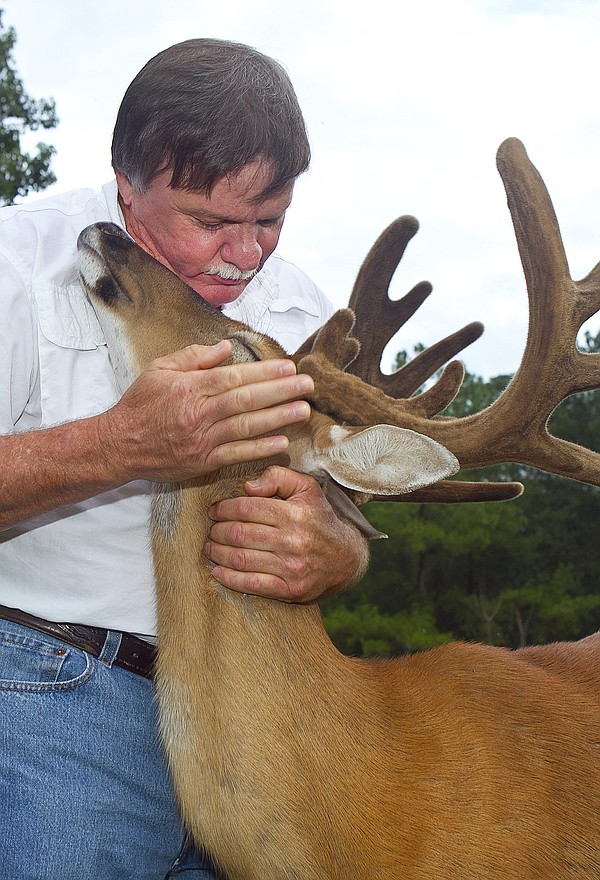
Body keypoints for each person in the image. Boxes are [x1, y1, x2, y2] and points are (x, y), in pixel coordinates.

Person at [0, 38, 367, 880]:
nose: (246, 254)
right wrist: (118, 445)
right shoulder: (18, 264)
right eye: (209, 222)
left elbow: (345, 513)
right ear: (126, 185)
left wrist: (337, 552)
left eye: (269, 219)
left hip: (262, 714)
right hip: (58, 694)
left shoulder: (301, 308)